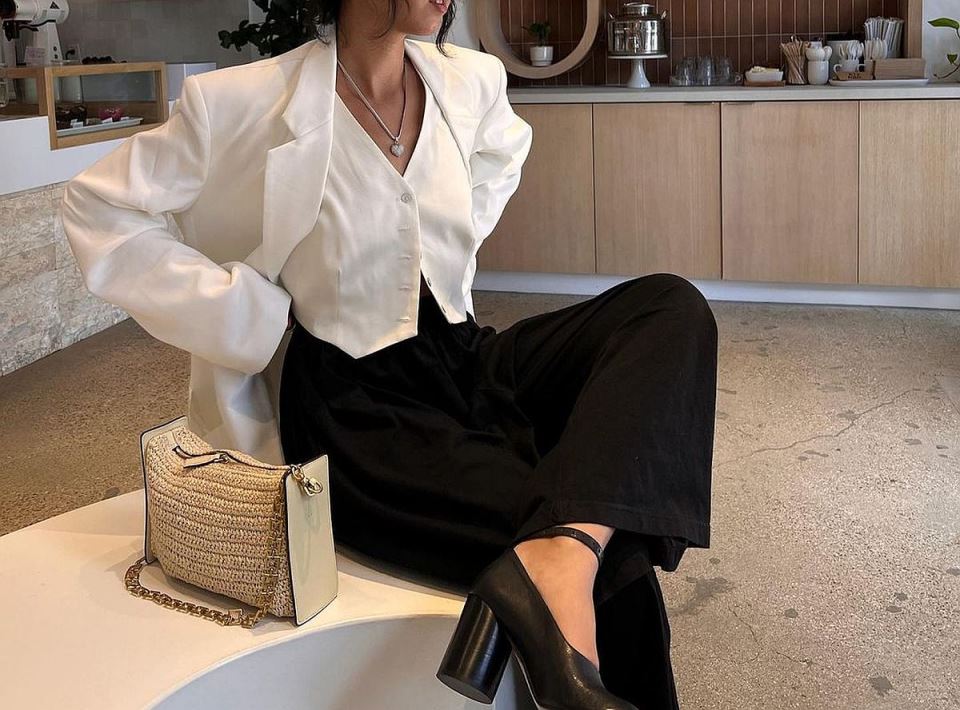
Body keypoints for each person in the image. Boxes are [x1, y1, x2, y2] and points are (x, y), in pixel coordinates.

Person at [60, 1, 718, 708]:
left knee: (669, 307)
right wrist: (251, 317)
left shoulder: (467, 81)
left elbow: (503, 155)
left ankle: (555, 555)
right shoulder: (242, 102)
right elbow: (98, 209)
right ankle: (564, 566)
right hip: (356, 410)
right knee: (619, 560)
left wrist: (434, 249)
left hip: (464, 356)